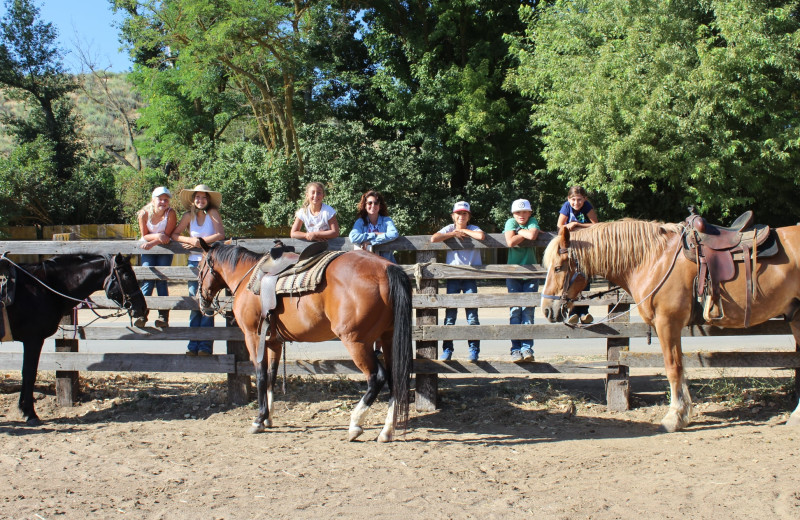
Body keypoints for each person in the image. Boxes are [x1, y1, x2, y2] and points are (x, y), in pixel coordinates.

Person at [171, 184, 225, 356]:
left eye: (204, 197)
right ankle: (192, 345)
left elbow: (220, 235)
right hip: (193, 264)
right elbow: (174, 234)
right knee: (195, 304)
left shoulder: (213, 214)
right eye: (198, 197)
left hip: (210, 264)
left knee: (207, 302)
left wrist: (200, 242)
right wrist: (189, 239)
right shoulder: (188, 216)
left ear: (208, 200)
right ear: (193, 200)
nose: (200, 200)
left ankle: (205, 346)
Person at [431, 201, 486, 362]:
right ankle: (447, 350)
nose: (461, 216)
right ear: (453, 215)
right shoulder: (449, 228)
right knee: (450, 316)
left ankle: (474, 351)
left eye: (464, 214)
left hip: (470, 276)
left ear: (468, 216)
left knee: (472, 316)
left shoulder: (473, 228)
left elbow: (481, 236)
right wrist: (454, 234)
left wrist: (463, 231)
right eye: (458, 213)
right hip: (453, 277)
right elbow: (435, 238)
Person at [503, 198, 540, 362]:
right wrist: (522, 232)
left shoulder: (532, 221)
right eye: (518, 212)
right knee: (515, 311)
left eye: (525, 211)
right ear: (513, 214)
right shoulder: (510, 222)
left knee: (528, 311)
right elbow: (510, 242)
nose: (522, 215)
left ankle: (527, 348)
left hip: (531, 273)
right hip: (513, 273)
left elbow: (532, 235)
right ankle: (515, 349)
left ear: (530, 212)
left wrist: (519, 232)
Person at [135, 186, 177, 329]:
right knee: (147, 278)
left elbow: (167, 236)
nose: (163, 202)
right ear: (153, 200)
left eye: (166, 200)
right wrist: (156, 237)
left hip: (164, 249)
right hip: (148, 248)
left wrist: (154, 241)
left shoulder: (170, 214)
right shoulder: (144, 214)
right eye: (160, 199)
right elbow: (144, 234)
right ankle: (141, 313)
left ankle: (163, 315)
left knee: (162, 280)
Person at [557, 185, 599, 324]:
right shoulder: (566, 207)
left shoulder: (587, 206)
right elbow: (560, 226)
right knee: (571, 278)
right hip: (571, 248)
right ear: (569, 199)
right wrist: (568, 226)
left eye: (579, 200)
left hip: (585, 248)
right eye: (573, 199)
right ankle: (572, 310)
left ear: (584, 199)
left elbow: (596, 225)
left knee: (585, 276)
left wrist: (576, 224)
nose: (576, 203)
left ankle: (584, 311)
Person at [348, 190, 399, 263]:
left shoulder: (386, 221)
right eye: (369, 203)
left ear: (380, 206)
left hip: (386, 263)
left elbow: (394, 234)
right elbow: (353, 237)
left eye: (376, 203)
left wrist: (371, 242)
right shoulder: (360, 222)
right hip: (366, 264)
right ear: (365, 206)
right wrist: (375, 234)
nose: (373, 205)